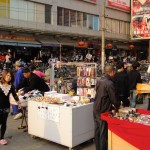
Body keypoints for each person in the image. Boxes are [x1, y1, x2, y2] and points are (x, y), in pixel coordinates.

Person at [93, 65, 120, 150]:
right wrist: (118, 106)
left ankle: (98, 148)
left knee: (97, 130)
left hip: (96, 107)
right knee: (103, 133)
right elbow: (113, 99)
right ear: (112, 72)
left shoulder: (99, 80)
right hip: (103, 109)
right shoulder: (109, 83)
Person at [0, 69, 20, 145]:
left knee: (4, 122)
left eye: (10, 76)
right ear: (4, 75)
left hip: (6, 107)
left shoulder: (11, 86)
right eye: (7, 75)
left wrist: (19, 103)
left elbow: (14, 95)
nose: (9, 77)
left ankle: (1, 138)